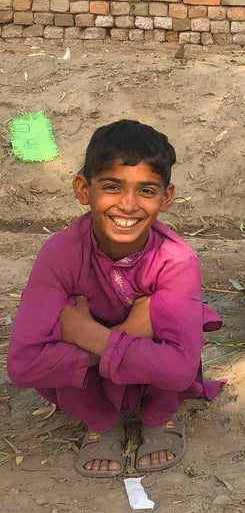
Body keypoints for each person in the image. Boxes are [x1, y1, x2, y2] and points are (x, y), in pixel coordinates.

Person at [7, 120, 224, 477]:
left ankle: (159, 415)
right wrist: (129, 332)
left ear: (166, 198)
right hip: (96, 377)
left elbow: (179, 368)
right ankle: (101, 420)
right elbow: (22, 365)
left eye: (146, 191)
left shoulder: (176, 260)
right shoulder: (61, 253)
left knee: (181, 326)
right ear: (83, 189)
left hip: (149, 373)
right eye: (112, 187)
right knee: (58, 332)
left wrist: (89, 334)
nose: (128, 205)